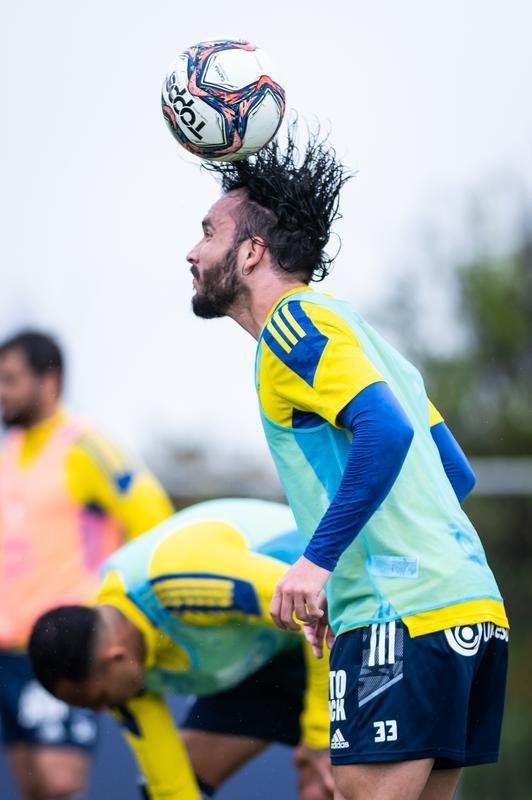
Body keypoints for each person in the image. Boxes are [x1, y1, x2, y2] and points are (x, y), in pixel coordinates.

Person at [184, 127, 509, 800]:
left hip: (402, 616)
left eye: (207, 233)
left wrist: (319, 562)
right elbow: (452, 475)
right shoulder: (362, 338)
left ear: (250, 253)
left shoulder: (291, 326)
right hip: (466, 605)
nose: (191, 251)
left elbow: (385, 433)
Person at [28, 498, 335, 800]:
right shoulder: (114, 663)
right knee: (182, 780)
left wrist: (320, 736)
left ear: (116, 657)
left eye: (101, 700)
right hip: (265, 657)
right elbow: (170, 787)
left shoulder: (180, 581)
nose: (102, 711)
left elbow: (315, 610)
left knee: (335, 784)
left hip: (333, 620)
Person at [0, 330, 173, 799]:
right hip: (11, 654)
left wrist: (125, 608)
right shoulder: (9, 451)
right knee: (32, 786)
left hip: (68, 644)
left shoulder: (85, 446)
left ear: (49, 381)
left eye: (11, 379)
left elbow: (152, 516)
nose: (2, 390)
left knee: (60, 784)